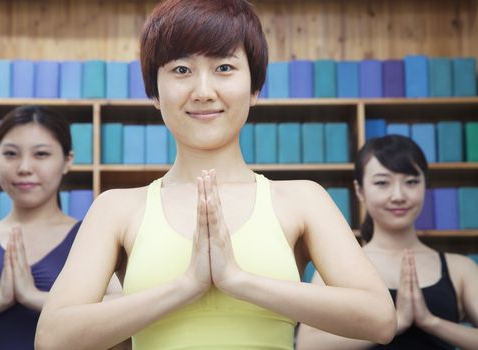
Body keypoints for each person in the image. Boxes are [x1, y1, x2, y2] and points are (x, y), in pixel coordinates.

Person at [35, 1, 396, 349]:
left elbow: (379, 319)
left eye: (224, 68)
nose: (204, 92)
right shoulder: (116, 208)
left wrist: (237, 280)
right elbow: (53, 338)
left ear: (254, 88)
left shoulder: (302, 199)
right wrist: (187, 285)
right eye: (181, 70)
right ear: (154, 93)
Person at [297, 135, 478, 350]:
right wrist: (396, 322)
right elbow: (307, 345)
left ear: (425, 186)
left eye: (411, 182)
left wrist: (431, 322)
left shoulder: (460, 268)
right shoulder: (337, 269)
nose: (398, 195)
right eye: (382, 183)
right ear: (360, 190)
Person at [0, 105, 80, 349]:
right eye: (10, 154)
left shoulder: (90, 236)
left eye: (41, 154)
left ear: (67, 161)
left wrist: (32, 297)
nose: (24, 168)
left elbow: (119, 307)